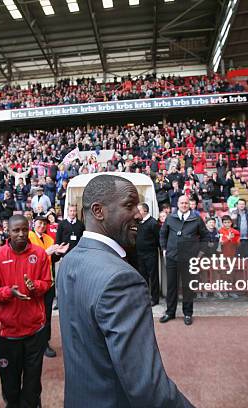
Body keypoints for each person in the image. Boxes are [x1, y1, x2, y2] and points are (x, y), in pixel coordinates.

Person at [57, 174, 193, 407]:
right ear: (99, 211)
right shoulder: (122, 279)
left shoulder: (70, 260)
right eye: (129, 205)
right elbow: (148, 387)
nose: (139, 214)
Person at [0, 215, 51, 408]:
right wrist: (9, 292)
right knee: (10, 385)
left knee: (32, 385)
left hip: (34, 332)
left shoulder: (39, 254)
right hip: (7, 334)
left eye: (24, 229)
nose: (21, 234)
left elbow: (47, 283)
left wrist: (34, 286)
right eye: (16, 230)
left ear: (28, 228)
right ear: (8, 231)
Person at [160, 195, 209, 325]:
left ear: (190, 204)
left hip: (189, 259)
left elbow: (205, 236)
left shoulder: (196, 219)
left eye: (186, 203)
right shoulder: (170, 218)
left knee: (188, 287)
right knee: (172, 287)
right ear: (178, 204)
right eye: (182, 203)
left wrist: (200, 253)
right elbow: (163, 235)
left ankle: (188, 313)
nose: (184, 205)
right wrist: (164, 249)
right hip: (172, 258)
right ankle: (170, 312)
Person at [28, 216, 68, 358]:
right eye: (39, 223)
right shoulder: (28, 237)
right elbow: (30, 259)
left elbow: (52, 259)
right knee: (33, 312)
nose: (42, 226)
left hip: (48, 281)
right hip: (33, 282)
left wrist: (58, 253)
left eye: (44, 224)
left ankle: (45, 342)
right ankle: (33, 342)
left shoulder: (49, 238)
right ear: (34, 224)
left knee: (47, 314)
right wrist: (46, 253)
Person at [136, 203, 161, 306]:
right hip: (140, 254)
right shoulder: (138, 223)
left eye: (139, 210)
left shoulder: (153, 223)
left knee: (153, 277)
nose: (137, 213)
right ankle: (145, 297)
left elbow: (158, 238)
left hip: (151, 254)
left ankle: (155, 299)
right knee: (143, 277)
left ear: (145, 211)